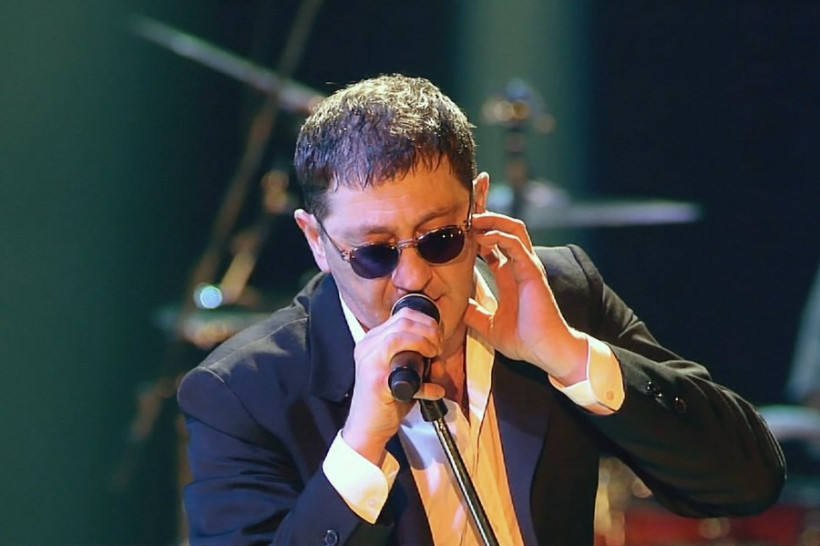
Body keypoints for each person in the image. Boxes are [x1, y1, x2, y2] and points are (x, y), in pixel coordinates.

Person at [177, 74, 785, 545]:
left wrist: (569, 356)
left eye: (440, 238)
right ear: (317, 241)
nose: (413, 276)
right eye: (375, 253)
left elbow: (749, 483)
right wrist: (361, 444)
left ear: (479, 203)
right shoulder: (242, 392)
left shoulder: (559, 296)